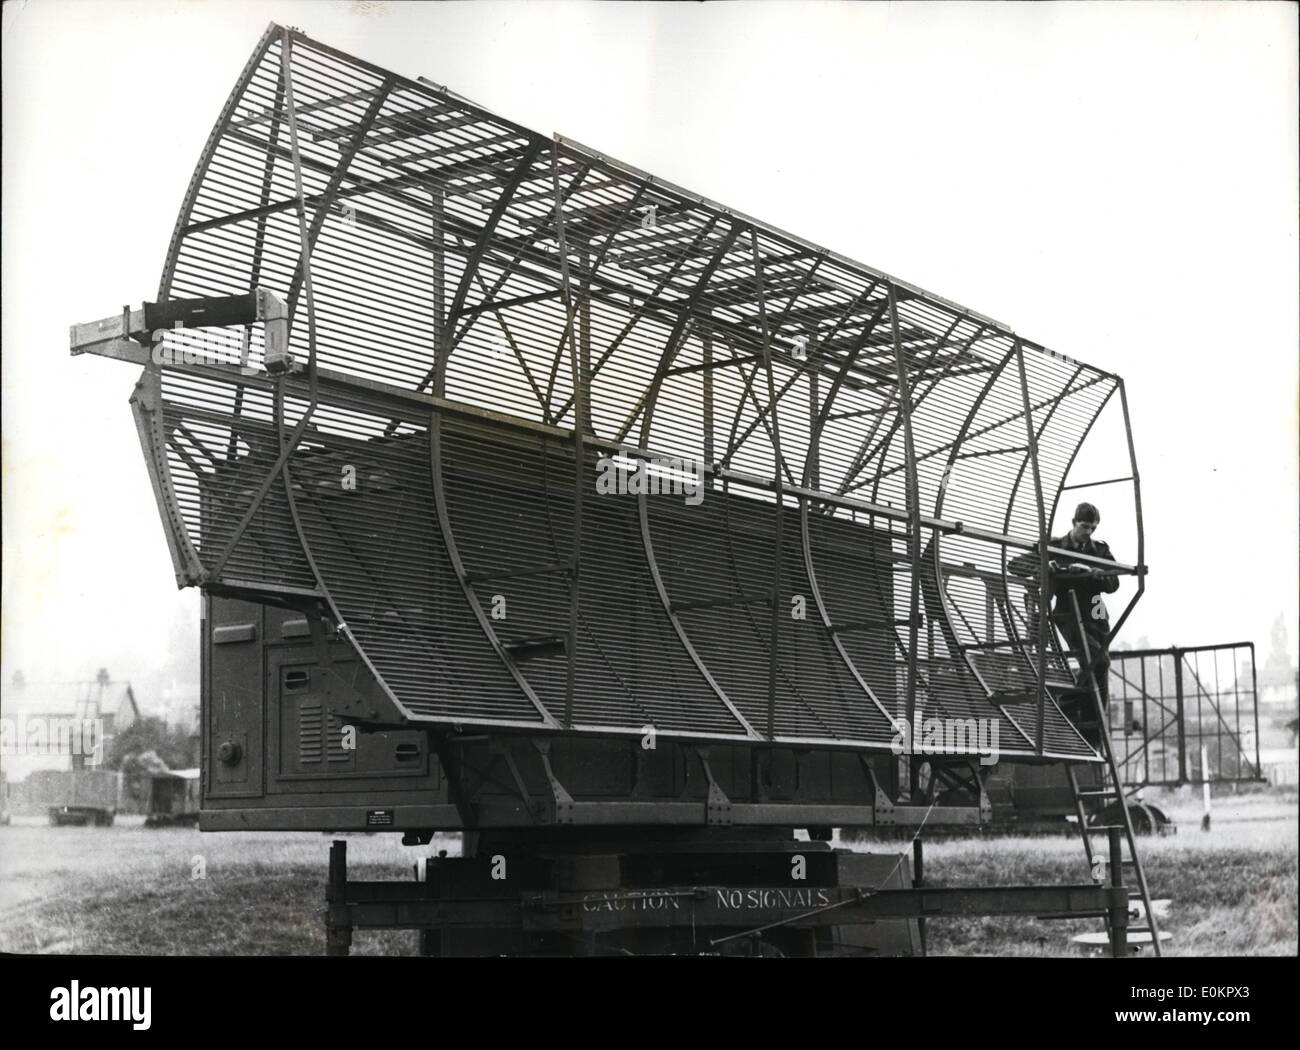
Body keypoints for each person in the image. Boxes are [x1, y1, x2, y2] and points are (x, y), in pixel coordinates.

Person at [1009, 502, 1119, 712]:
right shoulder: (1055, 546)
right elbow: (1014, 566)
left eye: (1092, 528)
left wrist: (1092, 571)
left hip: (1096, 612)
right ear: (1073, 523)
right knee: (1098, 662)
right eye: (1084, 526)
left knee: (1100, 668)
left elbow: (1113, 583)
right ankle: (1067, 706)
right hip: (1069, 612)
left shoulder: (1100, 550)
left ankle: (1093, 730)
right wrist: (1043, 566)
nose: (1088, 532)